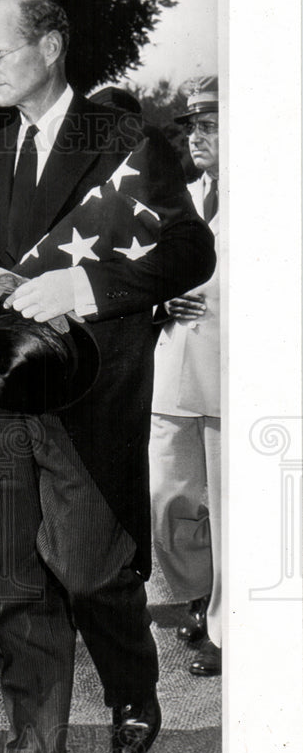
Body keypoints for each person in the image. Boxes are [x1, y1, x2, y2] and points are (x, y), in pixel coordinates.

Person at [0, 0, 216, 753]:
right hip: (1, 390)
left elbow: (187, 253)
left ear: (49, 46)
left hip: (91, 392)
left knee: (91, 571)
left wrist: (82, 287)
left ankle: (132, 686)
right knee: (14, 580)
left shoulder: (125, 140)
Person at [150, 76, 222, 677]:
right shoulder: (181, 200)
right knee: (169, 500)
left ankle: (227, 624)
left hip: (234, 376)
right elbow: (143, 272)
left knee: (231, 505)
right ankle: (198, 600)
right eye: (193, 126)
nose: (197, 137)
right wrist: (160, 301)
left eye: (211, 125)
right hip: (173, 370)